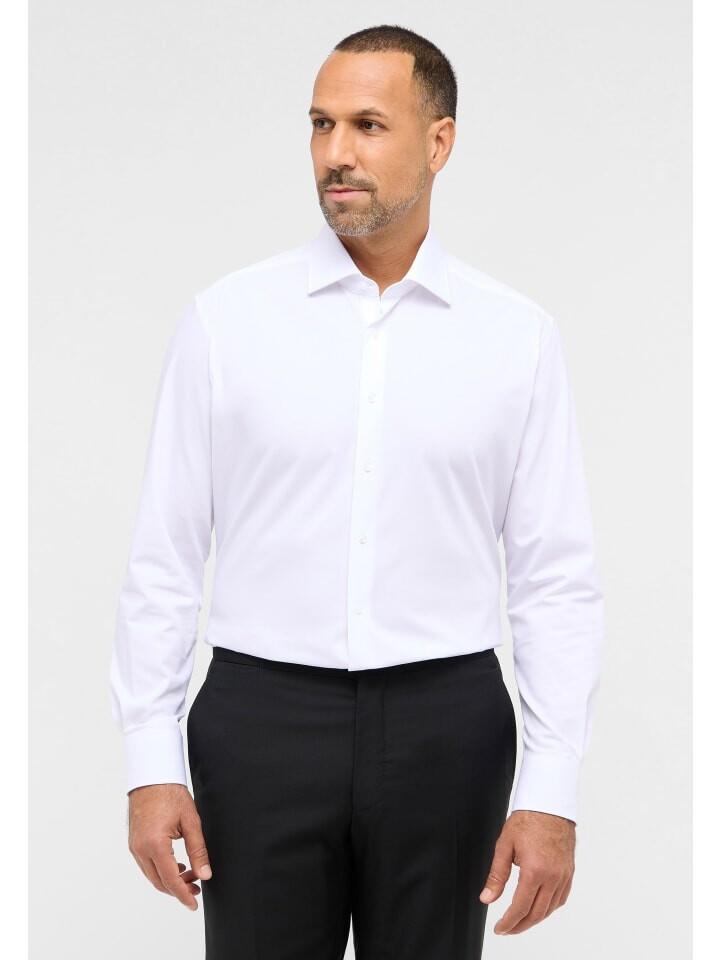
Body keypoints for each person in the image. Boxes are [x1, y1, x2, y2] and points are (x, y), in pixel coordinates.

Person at [110, 23, 604, 960]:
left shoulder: (516, 338)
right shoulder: (227, 323)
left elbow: (555, 580)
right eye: (321, 124)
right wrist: (149, 762)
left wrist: (551, 788)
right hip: (259, 721)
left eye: (369, 125)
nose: (336, 152)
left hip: (447, 725)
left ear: (439, 141)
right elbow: (164, 558)